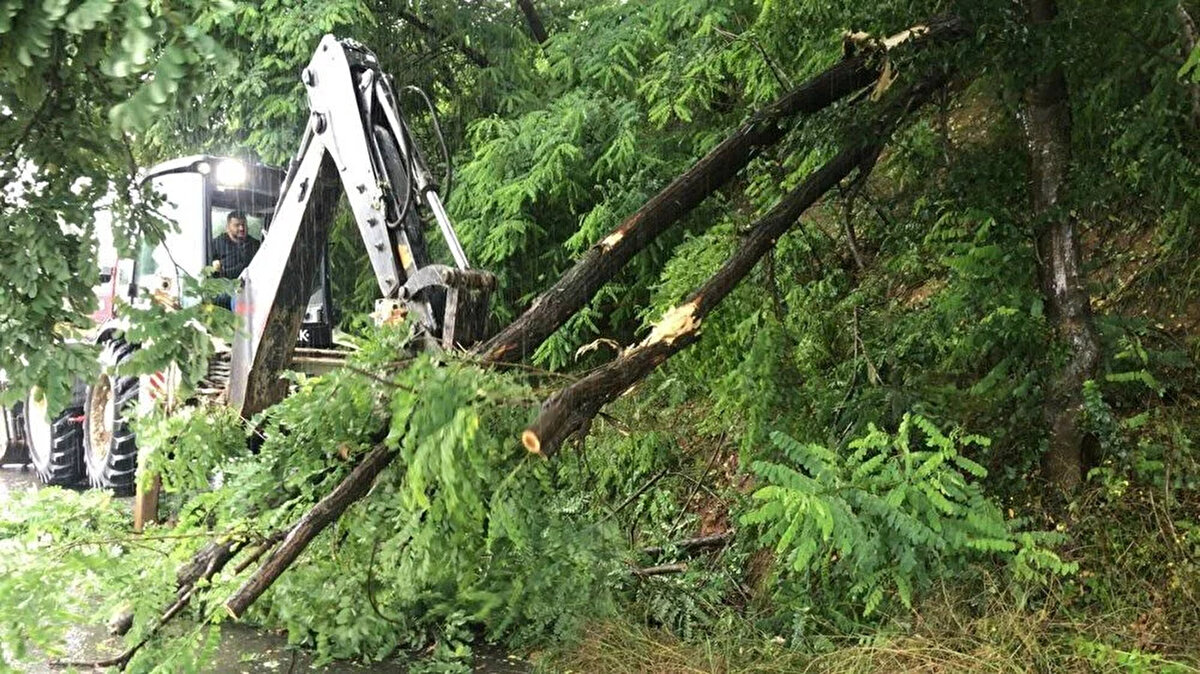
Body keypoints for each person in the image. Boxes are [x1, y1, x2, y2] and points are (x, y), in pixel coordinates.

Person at [211, 211, 261, 280]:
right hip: (226, 287)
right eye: (237, 225)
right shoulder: (216, 245)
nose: (241, 228)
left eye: (243, 224)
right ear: (227, 228)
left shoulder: (255, 244)